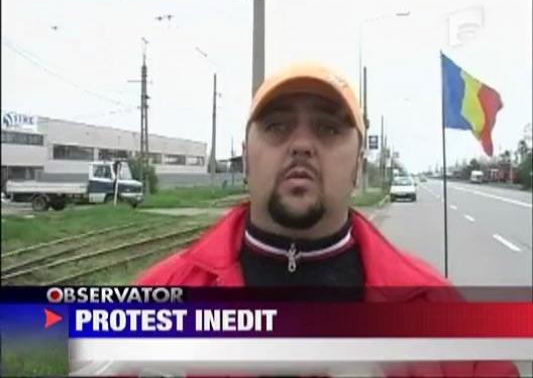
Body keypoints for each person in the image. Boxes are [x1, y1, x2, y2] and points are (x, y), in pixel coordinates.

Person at [136, 62, 518, 377]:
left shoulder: (439, 310)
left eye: (328, 128)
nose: (301, 145)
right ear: (245, 158)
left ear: (357, 165)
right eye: (277, 126)